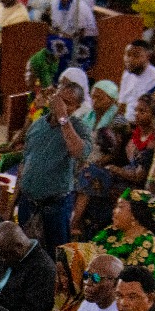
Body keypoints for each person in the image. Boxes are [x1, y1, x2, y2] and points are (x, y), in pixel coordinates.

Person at [14, 81, 92, 254]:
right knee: (23, 253)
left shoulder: (80, 128)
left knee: (54, 256)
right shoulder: (38, 125)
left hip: (55, 207)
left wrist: (63, 117)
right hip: (28, 202)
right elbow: (24, 165)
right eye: (60, 99)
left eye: (68, 103)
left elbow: (79, 152)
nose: (60, 106)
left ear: (77, 107)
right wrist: (11, 204)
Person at [0, 221, 57, 311]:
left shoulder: (42, 268)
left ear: (19, 246)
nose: (1, 259)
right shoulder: (12, 256)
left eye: (4, 255)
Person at [92, 189, 155, 281]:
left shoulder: (147, 244)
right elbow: (91, 251)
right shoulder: (113, 231)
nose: (114, 211)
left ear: (134, 215)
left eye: (120, 207)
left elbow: (129, 283)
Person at [47, 0, 97, 74]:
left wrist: (60, 35)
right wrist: (54, 32)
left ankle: (60, 79)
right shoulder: (55, 3)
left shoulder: (79, 6)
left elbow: (79, 36)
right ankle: (49, 77)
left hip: (84, 43)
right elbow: (56, 27)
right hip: (64, 37)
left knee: (57, 46)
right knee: (46, 41)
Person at [118, 40, 155, 122]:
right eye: (127, 55)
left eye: (136, 56)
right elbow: (122, 104)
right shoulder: (127, 74)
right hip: (125, 123)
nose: (130, 59)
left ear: (148, 57)